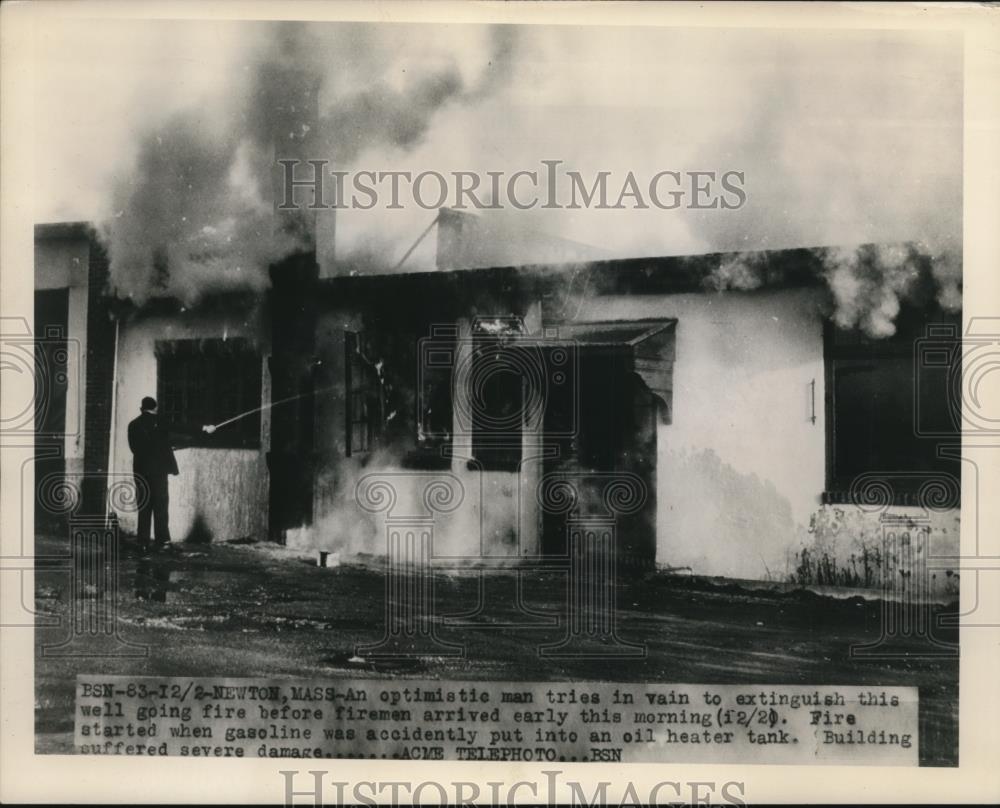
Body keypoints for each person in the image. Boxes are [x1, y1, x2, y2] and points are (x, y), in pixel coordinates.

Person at [127, 396, 178, 554]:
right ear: (155, 407)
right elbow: (182, 429)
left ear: (142, 408)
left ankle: (143, 543)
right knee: (161, 506)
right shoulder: (161, 422)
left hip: (141, 471)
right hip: (158, 471)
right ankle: (162, 542)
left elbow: (134, 448)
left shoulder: (133, 425)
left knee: (144, 506)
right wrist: (204, 428)